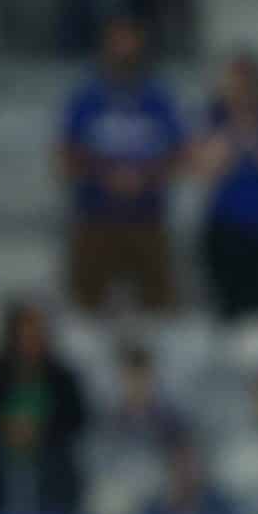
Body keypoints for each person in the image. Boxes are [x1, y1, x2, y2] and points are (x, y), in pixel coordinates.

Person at [58, 17, 184, 312]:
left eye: (130, 41)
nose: (124, 49)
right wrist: (106, 176)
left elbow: (180, 153)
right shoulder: (86, 96)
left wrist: (143, 177)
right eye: (118, 41)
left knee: (160, 305)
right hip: (95, 215)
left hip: (147, 216)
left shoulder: (157, 97)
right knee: (84, 304)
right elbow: (65, 153)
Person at [194, 51, 258, 319]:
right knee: (230, 306)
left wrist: (256, 135)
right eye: (236, 84)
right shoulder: (215, 116)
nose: (242, 91)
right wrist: (237, 131)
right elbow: (207, 167)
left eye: (247, 83)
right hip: (225, 225)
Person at [0, 304, 89, 514]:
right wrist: (6, 429)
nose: (30, 341)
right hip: (2, 448)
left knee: (61, 466)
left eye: (36, 335)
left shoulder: (61, 376)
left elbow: (76, 420)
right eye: (25, 335)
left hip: (49, 447)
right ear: (13, 337)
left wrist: (39, 430)